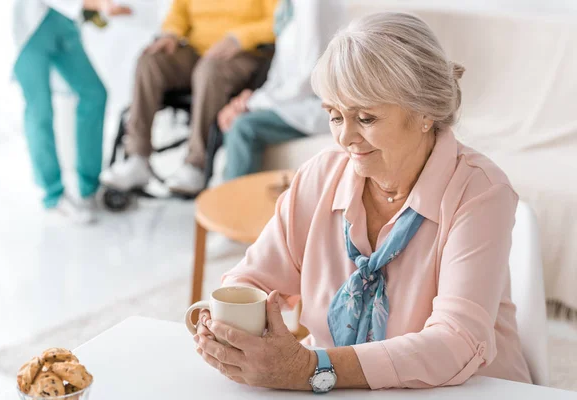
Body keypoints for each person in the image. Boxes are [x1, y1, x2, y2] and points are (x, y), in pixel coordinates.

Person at [192, 13, 532, 391]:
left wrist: (310, 368)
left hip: (472, 390)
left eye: (366, 118)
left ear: (425, 113)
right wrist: (227, 330)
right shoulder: (320, 177)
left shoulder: (479, 192)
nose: (345, 138)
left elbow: (457, 342)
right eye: (335, 116)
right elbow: (252, 278)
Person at [100, 0, 278, 195]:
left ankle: (196, 164)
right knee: (150, 60)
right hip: (197, 50)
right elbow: (179, 10)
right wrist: (171, 34)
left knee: (209, 70)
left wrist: (239, 38)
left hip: (243, 52)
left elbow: (278, 20)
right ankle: (137, 157)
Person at [12, 0, 130, 223]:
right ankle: (53, 195)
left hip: (63, 22)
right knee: (40, 110)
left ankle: (89, 187)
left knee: (95, 94)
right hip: (29, 27)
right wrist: (100, 5)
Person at [215, 0, 345, 181]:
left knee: (243, 127)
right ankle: (224, 201)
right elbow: (278, 75)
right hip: (292, 103)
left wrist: (254, 104)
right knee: (235, 119)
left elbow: (309, 78)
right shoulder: (286, 7)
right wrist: (250, 99)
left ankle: (235, 206)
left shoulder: (312, 4)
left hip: (317, 105)